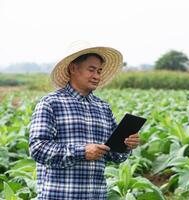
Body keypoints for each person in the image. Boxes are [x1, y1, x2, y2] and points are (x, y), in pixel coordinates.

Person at [29, 46, 140, 199]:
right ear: (73, 68)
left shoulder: (103, 107)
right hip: (59, 195)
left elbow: (115, 156)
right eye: (91, 69)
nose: (96, 76)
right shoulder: (51, 103)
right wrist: (82, 152)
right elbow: (38, 149)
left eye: (99, 71)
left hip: (96, 195)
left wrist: (126, 145)